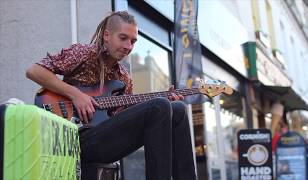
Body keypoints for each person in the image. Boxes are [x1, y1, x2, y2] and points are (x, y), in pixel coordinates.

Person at [26, 10, 196, 180]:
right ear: (107, 35)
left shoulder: (124, 76)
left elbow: (125, 119)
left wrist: (166, 100)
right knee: (160, 105)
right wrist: (75, 94)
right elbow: (34, 71)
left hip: (104, 141)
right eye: (123, 38)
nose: (129, 46)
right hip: (76, 139)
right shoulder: (83, 53)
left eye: (133, 41)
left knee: (178, 109)